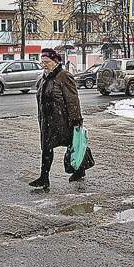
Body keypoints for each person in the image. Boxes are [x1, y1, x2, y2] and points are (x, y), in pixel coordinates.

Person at [30, 48, 86, 190]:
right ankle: (44, 178)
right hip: (47, 120)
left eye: (47, 61)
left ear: (55, 61)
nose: (44, 64)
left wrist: (76, 119)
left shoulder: (64, 76)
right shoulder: (44, 78)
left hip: (62, 120)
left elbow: (73, 99)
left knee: (74, 144)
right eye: (42, 62)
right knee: (46, 148)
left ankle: (80, 170)